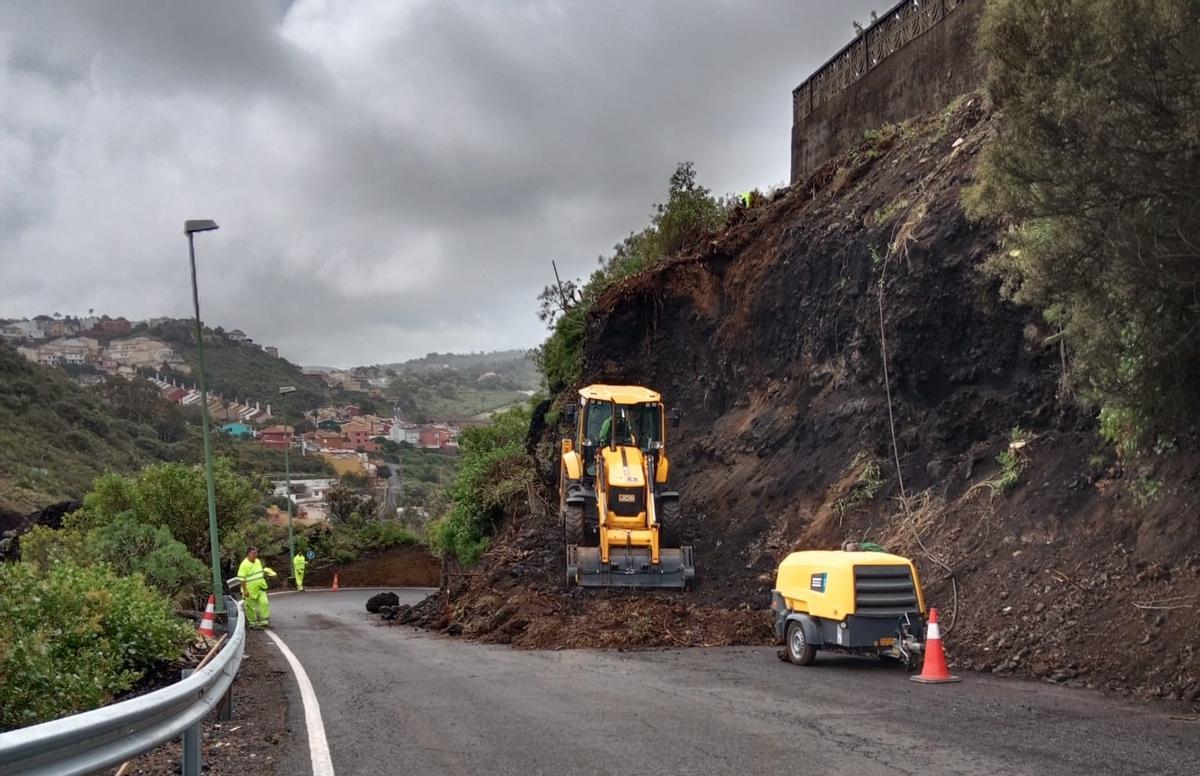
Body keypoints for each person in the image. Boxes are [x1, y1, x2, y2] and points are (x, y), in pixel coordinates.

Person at [237, 546, 277, 628]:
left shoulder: (258, 561)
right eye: (254, 553)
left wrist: (268, 574)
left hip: (260, 588)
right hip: (249, 590)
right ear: (249, 554)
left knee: (264, 603)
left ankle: (264, 621)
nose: (256, 554)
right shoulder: (244, 565)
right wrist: (245, 590)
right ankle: (253, 623)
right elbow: (241, 579)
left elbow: (259, 573)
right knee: (250, 607)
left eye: (257, 553)